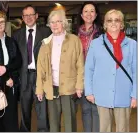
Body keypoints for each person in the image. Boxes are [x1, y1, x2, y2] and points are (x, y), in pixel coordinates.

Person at [85, 9, 137, 132]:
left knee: (123, 129)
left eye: (117, 20)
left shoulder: (132, 44)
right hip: (101, 94)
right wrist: (89, 91)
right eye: (109, 20)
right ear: (105, 24)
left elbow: (136, 71)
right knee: (104, 129)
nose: (113, 23)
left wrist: (135, 95)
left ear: (122, 24)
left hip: (124, 94)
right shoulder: (96, 44)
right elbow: (89, 69)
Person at [36, 9, 84, 132]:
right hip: (51, 88)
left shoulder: (74, 40)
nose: (55, 24)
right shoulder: (45, 43)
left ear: (64, 23)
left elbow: (80, 65)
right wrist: (39, 89)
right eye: (52, 22)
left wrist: (79, 86)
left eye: (58, 21)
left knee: (70, 123)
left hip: (69, 88)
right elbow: (40, 69)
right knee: (53, 123)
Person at [13, 5, 51, 132]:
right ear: (22, 18)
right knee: (24, 109)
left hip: (41, 76)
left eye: (31, 14)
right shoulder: (17, 35)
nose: (29, 18)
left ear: (36, 16)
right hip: (24, 76)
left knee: (42, 110)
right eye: (26, 15)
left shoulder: (46, 32)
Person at [76, 2, 103, 132]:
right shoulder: (75, 34)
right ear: (81, 15)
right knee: (85, 109)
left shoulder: (102, 33)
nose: (89, 14)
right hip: (81, 75)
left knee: (96, 109)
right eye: (86, 11)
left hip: (98, 75)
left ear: (96, 14)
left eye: (92, 11)